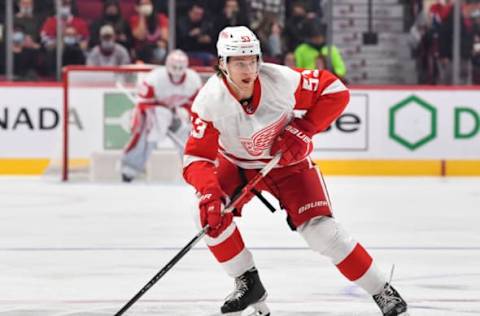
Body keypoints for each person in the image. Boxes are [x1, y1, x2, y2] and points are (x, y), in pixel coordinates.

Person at [182, 26, 408, 316]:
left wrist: (304, 129)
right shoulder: (209, 101)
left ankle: (382, 290)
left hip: (288, 164)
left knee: (323, 234)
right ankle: (248, 284)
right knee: (205, 213)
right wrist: (210, 193)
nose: (249, 68)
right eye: (239, 62)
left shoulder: (280, 80)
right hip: (238, 166)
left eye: (253, 59)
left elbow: (335, 91)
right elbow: (196, 157)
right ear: (222, 64)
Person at [120, 49, 202, 182]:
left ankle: (194, 168)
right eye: (174, 67)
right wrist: (161, 114)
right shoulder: (154, 78)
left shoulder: (193, 80)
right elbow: (143, 104)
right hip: (153, 113)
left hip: (176, 112)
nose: (177, 71)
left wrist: (185, 113)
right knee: (147, 135)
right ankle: (130, 168)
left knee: (188, 135)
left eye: (180, 67)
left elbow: (196, 106)